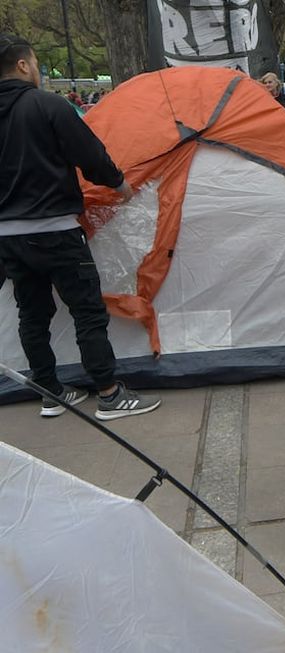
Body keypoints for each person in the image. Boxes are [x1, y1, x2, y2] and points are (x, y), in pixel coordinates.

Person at [0, 34, 161, 421]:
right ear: (23, 65)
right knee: (87, 311)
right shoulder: (47, 105)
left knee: (31, 314)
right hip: (55, 229)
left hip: (8, 236)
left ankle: (51, 393)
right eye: (35, 63)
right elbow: (90, 155)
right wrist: (119, 185)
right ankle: (109, 394)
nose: (37, 70)